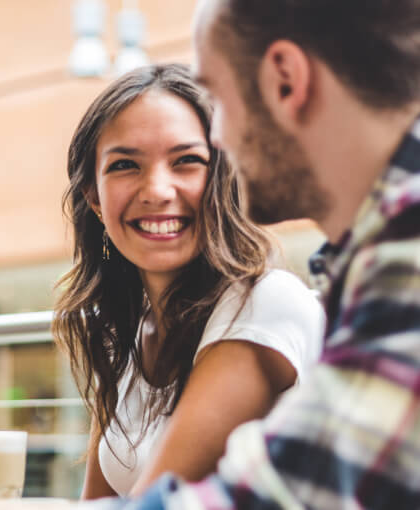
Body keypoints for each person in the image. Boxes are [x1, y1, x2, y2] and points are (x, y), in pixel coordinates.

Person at [0, 0, 420, 507]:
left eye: (212, 106)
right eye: (126, 165)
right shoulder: (138, 336)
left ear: (285, 80)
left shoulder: (378, 271)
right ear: (94, 199)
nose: (217, 141)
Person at [52, 63, 323, 498]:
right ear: (94, 198)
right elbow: (101, 504)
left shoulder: (263, 305)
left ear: (224, 179)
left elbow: (150, 506)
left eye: (187, 161)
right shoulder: (122, 333)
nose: (157, 190)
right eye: (125, 165)